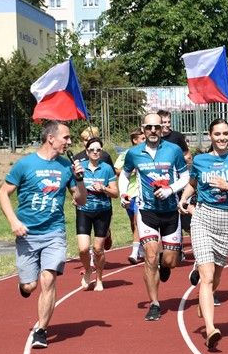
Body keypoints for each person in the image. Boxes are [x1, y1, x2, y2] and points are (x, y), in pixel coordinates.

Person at [0, 121, 86, 349]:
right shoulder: (26, 164)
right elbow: (3, 194)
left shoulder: (67, 166)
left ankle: (41, 330)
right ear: (51, 138)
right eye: (66, 137)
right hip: (27, 234)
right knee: (30, 286)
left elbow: (81, 200)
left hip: (54, 232)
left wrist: (80, 179)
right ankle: (24, 285)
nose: (69, 141)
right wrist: (14, 221)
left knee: (49, 278)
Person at [178, 119, 228, 350]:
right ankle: (211, 329)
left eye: (225, 133)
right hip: (203, 217)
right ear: (210, 136)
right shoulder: (200, 160)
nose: (222, 138)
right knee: (207, 276)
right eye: (217, 134)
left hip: (226, 220)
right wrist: (184, 198)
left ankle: (204, 300)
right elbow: (193, 183)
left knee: (216, 278)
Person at [119, 113, 189, 321]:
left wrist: (170, 190)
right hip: (146, 210)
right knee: (149, 256)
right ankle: (155, 303)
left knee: (171, 261)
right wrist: (124, 194)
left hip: (170, 211)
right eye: (148, 127)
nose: (152, 131)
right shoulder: (134, 153)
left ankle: (164, 262)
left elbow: (185, 176)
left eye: (156, 128)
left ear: (162, 130)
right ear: (143, 129)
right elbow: (125, 174)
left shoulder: (173, 150)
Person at [76, 137, 118, 291]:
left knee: (98, 249)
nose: (95, 152)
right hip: (84, 211)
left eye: (98, 150)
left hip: (103, 211)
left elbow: (115, 193)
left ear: (101, 152)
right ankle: (88, 270)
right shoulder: (80, 168)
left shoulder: (106, 168)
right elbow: (74, 189)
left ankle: (99, 278)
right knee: (83, 249)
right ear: (86, 152)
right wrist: (76, 198)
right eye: (92, 149)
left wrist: (104, 188)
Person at [116, 128, 146, 263]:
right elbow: (117, 169)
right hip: (130, 192)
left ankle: (134, 252)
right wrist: (130, 171)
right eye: (142, 138)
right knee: (133, 223)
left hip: (142, 193)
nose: (145, 140)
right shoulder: (127, 154)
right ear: (135, 140)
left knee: (137, 220)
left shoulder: (148, 153)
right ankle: (140, 248)